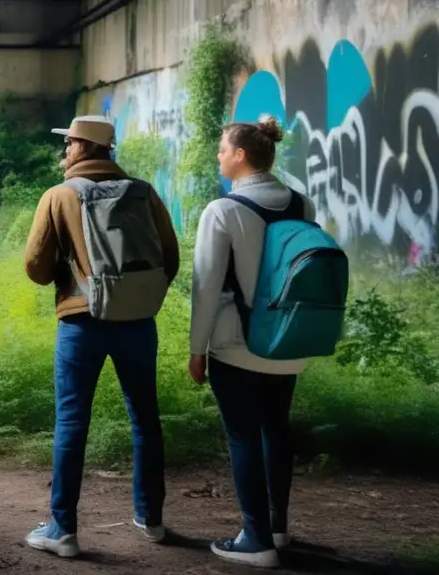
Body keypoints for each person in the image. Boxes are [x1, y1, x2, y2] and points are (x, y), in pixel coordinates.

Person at [23, 115, 179, 559]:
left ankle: (63, 529)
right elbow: (170, 258)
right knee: (145, 421)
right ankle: (151, 520)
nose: (65, 150)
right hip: (137, 323)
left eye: (69, 143)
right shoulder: (144, 193)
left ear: (85, 148)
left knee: (72, 422)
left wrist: (70, 273)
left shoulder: (59, 196)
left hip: (81, 322)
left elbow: (35, 267)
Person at [190, 117, 314, 568]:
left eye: (223, 149)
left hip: (237, 345)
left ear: (240, 155)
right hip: (287, 343)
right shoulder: (303, 204)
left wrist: (196, 349)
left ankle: (255, 540)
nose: (219, 155)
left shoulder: (222, 211)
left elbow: (205, 288)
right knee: (276, 430)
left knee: (242, 436)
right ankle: (277, 529)